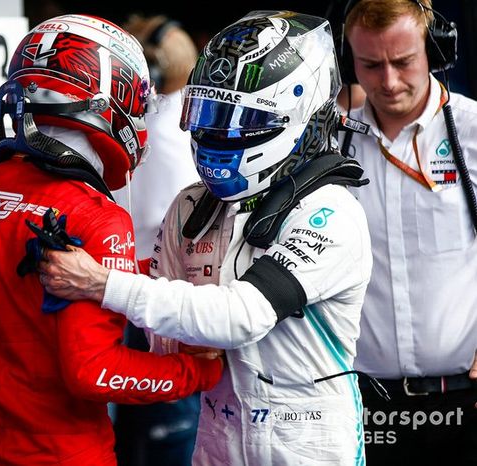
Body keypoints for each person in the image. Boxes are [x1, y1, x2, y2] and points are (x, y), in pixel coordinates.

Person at [38, 10, 374, 465]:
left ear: (293, 114)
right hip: (218, 436)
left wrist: (102, 283)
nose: (216, 131)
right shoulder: (192, 205)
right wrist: (182, 320)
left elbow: (243, 317)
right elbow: (166, 340)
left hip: (308, 444)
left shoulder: (331, 213)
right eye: (208, 112)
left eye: (237, 117)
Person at [0, 14, 223, 466]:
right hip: (60, 453)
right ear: (112, 98)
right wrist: (199, 372)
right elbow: (94, 372)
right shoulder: (98, 217)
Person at [341, 1, 477, 463]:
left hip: (465, 401)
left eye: (403, 61)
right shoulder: (331, 142)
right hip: (363, 406)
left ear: (434, 51)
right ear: (348, 62)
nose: (390, 81)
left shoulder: (473, 130)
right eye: (370, 66)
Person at [110, 15, 201, 466]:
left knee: (148, 434)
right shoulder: (175, 119)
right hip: (154, 288)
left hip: (138, 287)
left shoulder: (147, 119)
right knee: (163, 434)